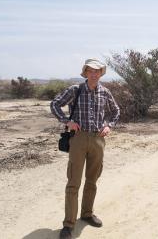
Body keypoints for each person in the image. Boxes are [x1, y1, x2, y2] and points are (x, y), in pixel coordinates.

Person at [50, 58, 120, 239]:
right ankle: (68, 224)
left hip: (98, 139)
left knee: (92, 180)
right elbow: (55, 104)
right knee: (73, 182)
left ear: (101, 73)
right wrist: (67, 121)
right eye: (91, 71)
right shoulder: (75, 90)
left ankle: (87, 214)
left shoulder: (105, 92)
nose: (94, 74)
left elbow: (116, 111)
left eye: (97, 71)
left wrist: (109, 125)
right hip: (79, 139)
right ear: (86, 72)